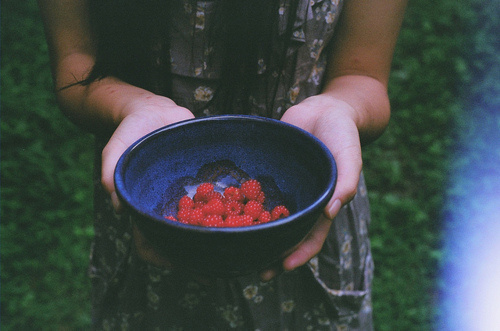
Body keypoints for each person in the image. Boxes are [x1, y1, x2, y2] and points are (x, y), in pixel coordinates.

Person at [39, 0, 407, 329]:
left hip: (309, 215)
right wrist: (130, 106)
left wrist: (339, 109)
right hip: (146, 215)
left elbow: (363, 75)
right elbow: (75, 62)